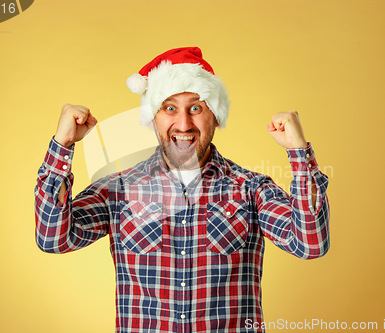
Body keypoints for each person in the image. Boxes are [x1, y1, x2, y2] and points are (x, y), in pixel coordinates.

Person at [34, 47, 330, 333]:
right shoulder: (118, 191)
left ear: (215, 115)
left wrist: (298, 152)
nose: (183, 123)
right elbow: (53, 238)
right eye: (170, 108)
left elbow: (310, 244)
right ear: (153, 118)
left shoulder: (252, 189)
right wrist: (62, 146)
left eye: (196, 108)